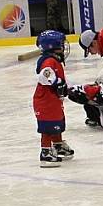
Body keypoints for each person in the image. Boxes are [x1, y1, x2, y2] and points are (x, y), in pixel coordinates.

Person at [33, 30, 74, 167]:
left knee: (57, 122)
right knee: (48, 126)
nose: (64, 47)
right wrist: (57, 83)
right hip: (45, 100)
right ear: (53, 45)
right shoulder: (49, 61)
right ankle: (45, 152)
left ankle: (57, 145)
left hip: (52, 100)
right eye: (61, 44)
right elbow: (44, 76)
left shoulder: (53, 60)